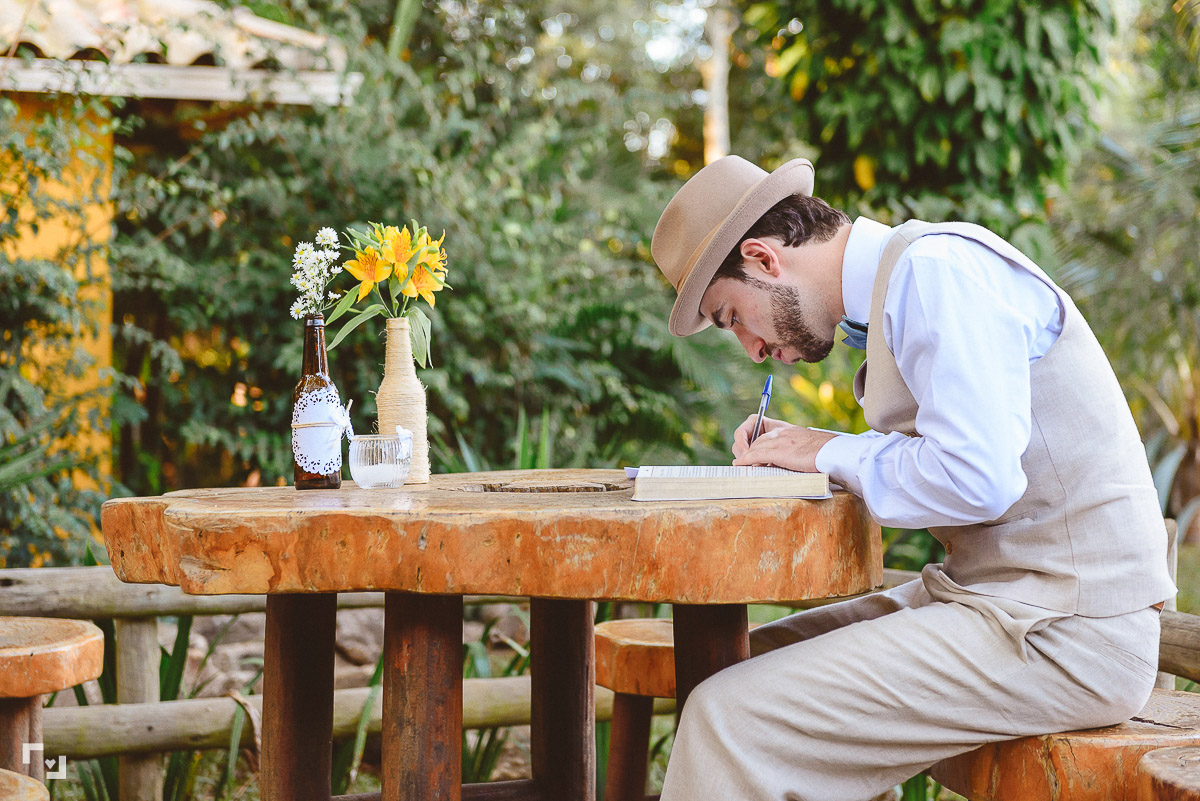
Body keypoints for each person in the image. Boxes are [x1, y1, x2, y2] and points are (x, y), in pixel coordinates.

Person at [648, 155, 1177, 801]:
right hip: (1001, 604)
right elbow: (960, 457)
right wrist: (816, 449)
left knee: (726, 718)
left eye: (731, 317)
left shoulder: (936, 272)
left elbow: (980, 478)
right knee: (741, 666)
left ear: (762, 258)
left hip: (1070, 632)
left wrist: (829, 452)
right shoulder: (907, 284)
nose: (752, 349)